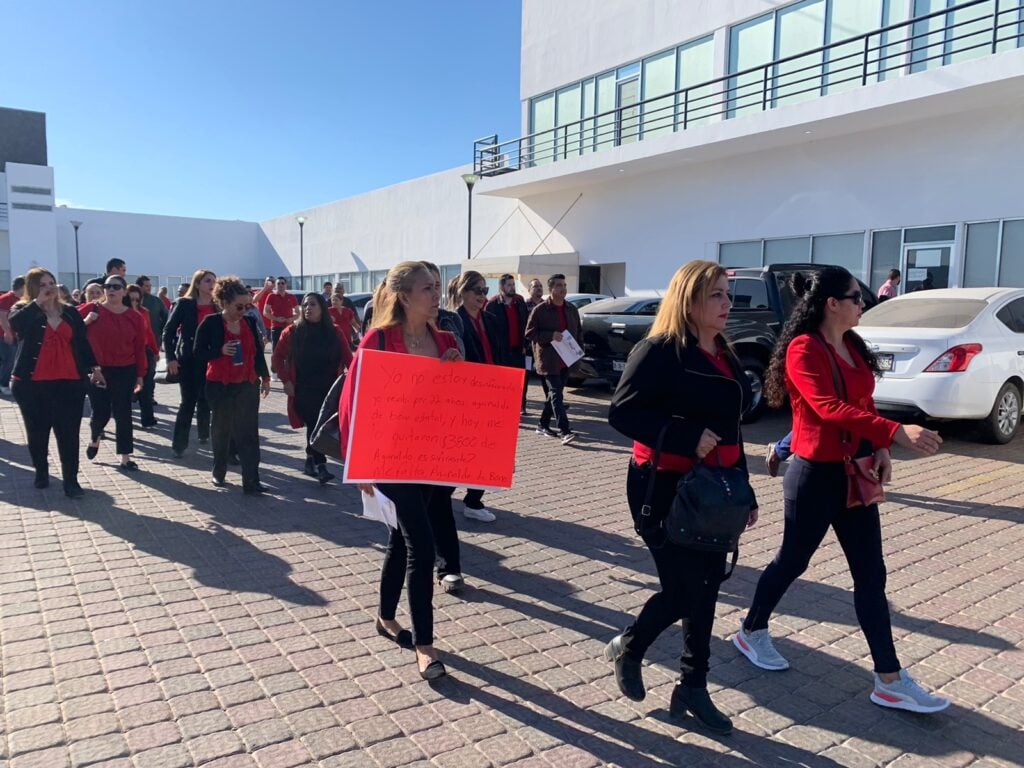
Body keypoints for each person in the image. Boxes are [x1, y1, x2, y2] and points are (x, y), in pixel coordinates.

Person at [734, 266, 949, 714]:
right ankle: (751, 630)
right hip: (814, 476)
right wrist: (895, 432)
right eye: (855, 297)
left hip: (855, 474)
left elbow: (862, 401)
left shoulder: (852, 344)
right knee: (791, 561)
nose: (862, 303)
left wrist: (879, 449)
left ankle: (888, 679)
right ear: (832, 303)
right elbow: (827, 408)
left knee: (872, 576)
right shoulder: (802, 348)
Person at [605, 260, 758, 735]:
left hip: (717, 491)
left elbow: (732, 427)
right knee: (683, 589)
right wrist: (684, 435)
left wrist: (745, 489)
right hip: (664, 487)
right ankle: (631, 646)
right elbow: (622, 413)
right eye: (716, 295)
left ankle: (692, 686)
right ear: (688, 299)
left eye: (728, 296)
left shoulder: (725, 353)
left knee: (707, 586)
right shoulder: (659, 350)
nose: (726, 305)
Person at [337, 261, 463, 681]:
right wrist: (360, 466)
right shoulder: (378, 339)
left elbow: (457, 399)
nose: (436, 295)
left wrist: (456, 371)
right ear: (404, 296)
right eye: (427, 288)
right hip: (390, 457)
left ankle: (385, 616)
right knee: (423, 547)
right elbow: (353, 403)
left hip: (431, 456)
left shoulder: (445, 338)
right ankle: (425, 647)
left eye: (438, 287)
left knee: (400, 537)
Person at [8, 268, 100, 497]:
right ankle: (41, 470)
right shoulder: (23, 309)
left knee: (69, 432)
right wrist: (39, 303)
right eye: (42, 284)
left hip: (69, 381)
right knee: (38, 432)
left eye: (51, 282)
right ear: (32, 288)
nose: (49, 287)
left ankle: (71, 481)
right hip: (32, 383)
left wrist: (95, 367)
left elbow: (81, 342)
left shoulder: (69, 311)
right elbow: (16, 325)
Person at [194, 276, 271, 494]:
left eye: (247, 306)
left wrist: (264, 377)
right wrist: (219, 351)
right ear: (225, 302)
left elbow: (257, 352)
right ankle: (219, 471)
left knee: (248, 432)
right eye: (239, 306)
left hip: (247, 383)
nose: (244, 311)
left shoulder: (249, 322)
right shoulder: (211, 322)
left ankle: (252, 481)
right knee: (222, 430)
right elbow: (197, 353)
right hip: (220, 385)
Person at [272, 293, 352, 484]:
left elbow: (348, 357)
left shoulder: (335, 331)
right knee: (315, 423)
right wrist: (286, 381)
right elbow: (276, 357)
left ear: (322, 308)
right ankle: (321, 465)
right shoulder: (292, 331)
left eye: (313, 304)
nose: (307, 308)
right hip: (303, 388)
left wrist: (358, 377)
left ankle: (310, 459)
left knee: (319, 424)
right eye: (305, 305)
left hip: (329, 388)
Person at [453, 270, 506, 523]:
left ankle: (474, 501)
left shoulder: (490, 318)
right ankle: (442, 493)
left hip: (491, 392)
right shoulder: (454, 321)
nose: (483, 296)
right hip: (465, 396)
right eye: (478, 291)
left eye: (486, 291)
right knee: (460, 450)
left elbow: (499, 354)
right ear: (463, 292)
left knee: (486, 450)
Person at [83, 275, 147, 471]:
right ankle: (95, 437)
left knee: (123, 412)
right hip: (98, 369)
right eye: (107, 286)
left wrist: (140, 375)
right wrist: (86, 321)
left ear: (124, 291)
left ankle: (125, 457)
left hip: (125, 369)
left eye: (116, 287)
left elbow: (139, 348)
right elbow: (71, 329)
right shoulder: (92, 309)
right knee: (101, 411)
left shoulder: (135, 317)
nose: (111, 290)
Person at [163, 269, 218, 458]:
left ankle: (204, 434)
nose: (212, 284)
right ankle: (179, 445)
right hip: (188, 360)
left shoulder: (218, 305)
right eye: (207, 280)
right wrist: (170, 358)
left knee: (207, 400)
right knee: (188, 402)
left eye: (214, 281)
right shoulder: (185, 304)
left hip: (212, 359)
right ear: (197, 284)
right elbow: (168, 332)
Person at [525, 273, 580, 445]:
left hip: (567, 359)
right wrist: (550, 335)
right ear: (550, 289)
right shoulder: (540, 310)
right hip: (549, 360)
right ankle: (565, 430)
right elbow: (529, 333)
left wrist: (580, 352)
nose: (563, 289)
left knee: (553, 394)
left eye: (564, 285)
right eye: (559, 286)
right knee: (556, 393)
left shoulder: (571, 309)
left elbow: (578, 332)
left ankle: (542, 424)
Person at [486, 273, 530, 414]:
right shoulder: (493, 305)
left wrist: (526, 344)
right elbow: (489, 330)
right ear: (501, 287)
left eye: (513, 285)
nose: (512, 288)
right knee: (504, 383)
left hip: (519, 350)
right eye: (509, 285)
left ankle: (520, 407)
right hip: (502, 351)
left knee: (521, 381)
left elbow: (526, 323)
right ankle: (503, 408)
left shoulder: (519, 302)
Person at [127, 284, 160, 429]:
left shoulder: (144, 312)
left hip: (145, 351)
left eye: (137, 299)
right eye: (131, 299)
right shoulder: (122, 312)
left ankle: (148, 419)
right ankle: (125, 420)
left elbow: (149, 332)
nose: (134, 302)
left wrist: (155, 350)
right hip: (128, 352)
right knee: (128, 388)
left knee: (146, 387)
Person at [0, 276, 27, 396]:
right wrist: (7, 332)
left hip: (15, 335)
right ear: (22, 287)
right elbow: (2, 317)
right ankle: (3, 384)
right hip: (4, 335)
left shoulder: (20, 299)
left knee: (12, 359)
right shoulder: (6, 298)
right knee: (9, 360)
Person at [263, 276, 299, 361]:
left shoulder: (291, 297)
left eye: (282, 283)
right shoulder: (271, 296)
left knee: (290, 351)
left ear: (286, 285)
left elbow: (298, 313)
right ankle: (275, 372)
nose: (280, 285)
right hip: (276, 327)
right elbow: (265, 312)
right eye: (278, 283)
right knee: (276, 351)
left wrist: (291, 318)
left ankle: (288, 371)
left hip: (289, 327)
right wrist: (276, 318)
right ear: (275, 285)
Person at [137, 275, 168, 343]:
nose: (150, 288)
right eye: (147, 286)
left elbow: (166, 317)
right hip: (136, 339)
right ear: (139, 287)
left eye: (150, 286)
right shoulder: (132, 300)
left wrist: (160, 331)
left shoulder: (156, 301)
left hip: (154, 338)